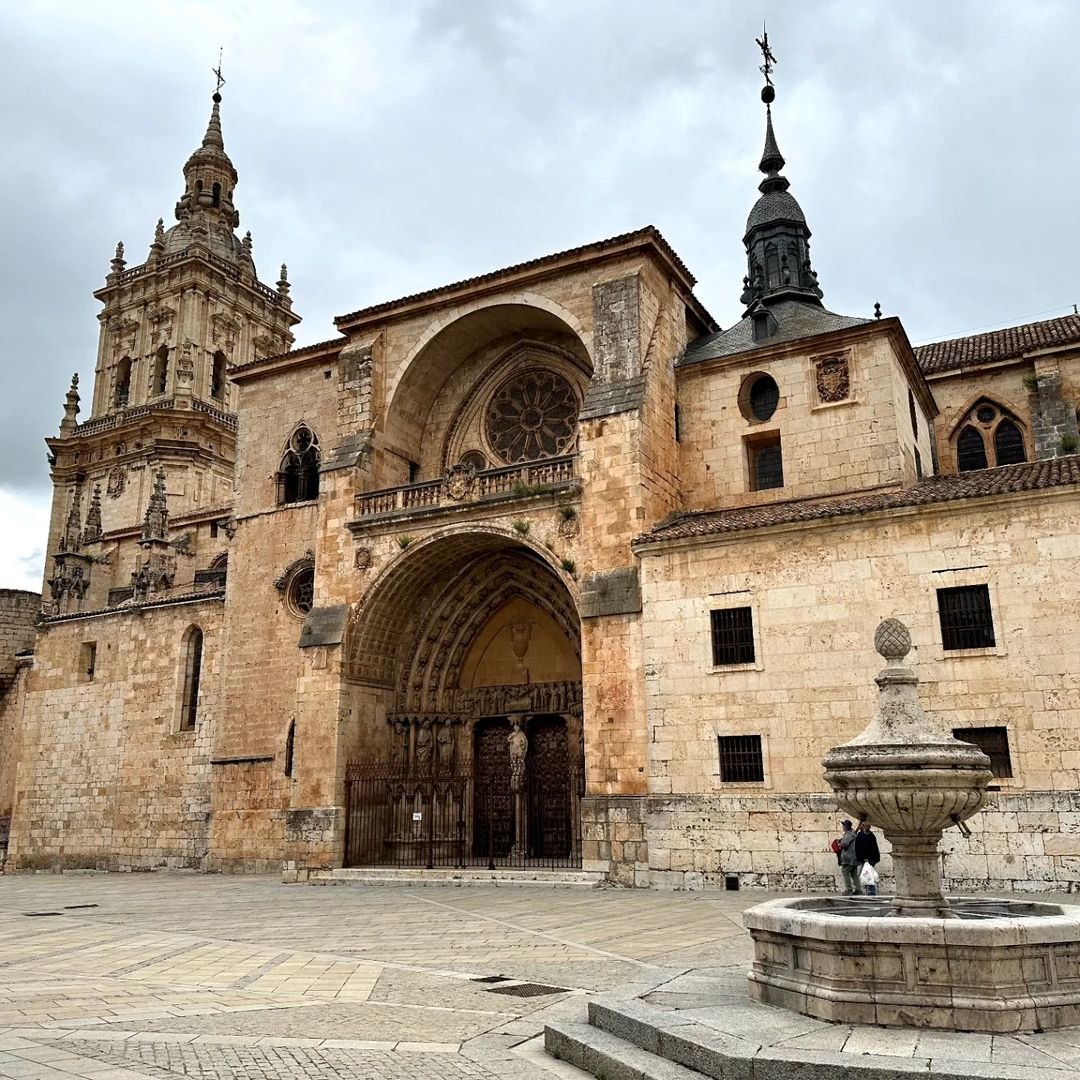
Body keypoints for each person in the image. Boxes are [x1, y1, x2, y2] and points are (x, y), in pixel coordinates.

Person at [855, 820, 881, 896]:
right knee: (864, 875)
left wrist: (871, 859)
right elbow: (858, 848)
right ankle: (867, 890)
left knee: (869, 875)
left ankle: (871, 891)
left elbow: (874, 849)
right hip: (863, 859)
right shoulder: (860, 835)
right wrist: (860, 858)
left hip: (870, 859)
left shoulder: (871, 836)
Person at [837, 819, 860, 895]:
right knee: (854, 874)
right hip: (853, 857)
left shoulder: (848, 834)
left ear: (846, 827)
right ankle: (858, 889)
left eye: (843, 826)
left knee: (845, 872)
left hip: (848, 858)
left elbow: (845, 844)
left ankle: (849, 889)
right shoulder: (853, 833)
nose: (842, 827)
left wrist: (839, 844)